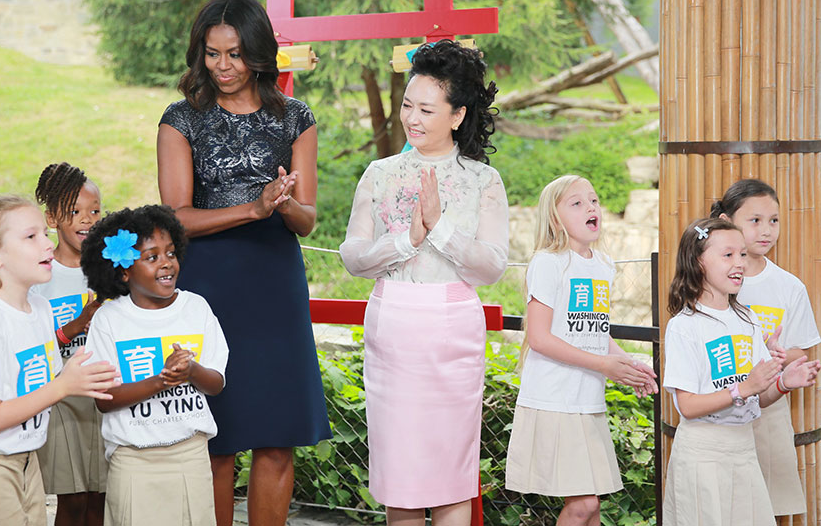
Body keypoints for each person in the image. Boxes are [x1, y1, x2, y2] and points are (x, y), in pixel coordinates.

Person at [156, 0, 330, 526]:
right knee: (217, 438)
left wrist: (284, 205)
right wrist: (252, 209)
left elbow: (308, 220)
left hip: (276, 282)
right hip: (209, 284)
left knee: (278, 436)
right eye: (212, 53)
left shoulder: (295, 116)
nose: (223, 66)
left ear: (258, 52)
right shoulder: (180, 119)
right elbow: (176, 216)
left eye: (234, 53)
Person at [339, 39, 508, 526]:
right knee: (403, 475)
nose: (412, 118)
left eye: (426, 109)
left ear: (457, 115)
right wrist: (408, 238)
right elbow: (353, 256)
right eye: (407, 105)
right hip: (393, 326)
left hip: (454, 329)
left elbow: (492, 267)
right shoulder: (380, 172)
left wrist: (443, 229)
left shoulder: (482, 181)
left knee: (453, 469)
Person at [0, 195, 118, 526]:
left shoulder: (39, 308)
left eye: (44, 235)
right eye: (31, 237)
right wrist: (64, 386)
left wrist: (83, 376)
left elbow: (40, 382)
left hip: (24, 459)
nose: (47, 245)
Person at [504, 174, 658, 526]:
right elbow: (540, 338)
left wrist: (628, 366)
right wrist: (606, 365)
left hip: (588, 400)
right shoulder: (548, 262)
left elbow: (595, 331)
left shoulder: (603, 265)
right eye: (577, 203)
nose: (591, 207)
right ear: (555, 218)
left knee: (592, 507)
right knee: (584, 505)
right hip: (555, 400)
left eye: (593, 200)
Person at [662, 217, 821, 526]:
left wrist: (783, 383)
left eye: (742, 254)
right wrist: (743, 388)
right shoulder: (684, 326)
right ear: (698, 262)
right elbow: (688, 406)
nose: (740, 264)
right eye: (728, 255)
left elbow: (757, 399)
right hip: (702, 457)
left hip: (745, 451)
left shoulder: (747, 319)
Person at [80, 204, 228, 526]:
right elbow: (104, 400)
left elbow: (216, 383)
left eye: (171, 253)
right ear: (123, 271)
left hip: (190, 455)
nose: (167, 263)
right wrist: (159, 381)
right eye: (152, 257)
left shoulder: (196, 308)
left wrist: (192, 371)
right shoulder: (110, 319)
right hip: (134, 460)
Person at [710, 180, 820, 517]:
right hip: (719, 407)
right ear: (728, 221)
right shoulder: (713, 280)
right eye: (755, 220)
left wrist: (780, 358)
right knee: (725, 508)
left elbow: (802, 349)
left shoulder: (788, 286)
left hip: (770, 410)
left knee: (768, 508)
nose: (766, 230)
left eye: (773, 220)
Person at [33, 162, 109, 526]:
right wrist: (75, 325)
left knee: (101, 498)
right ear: (52, 218)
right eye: (75, 211)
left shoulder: (112, 270)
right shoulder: (39, 274)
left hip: (107, 395)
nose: (87, 220)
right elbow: (28, 342)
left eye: (95, 210)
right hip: (61, 401)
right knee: (74, 500)